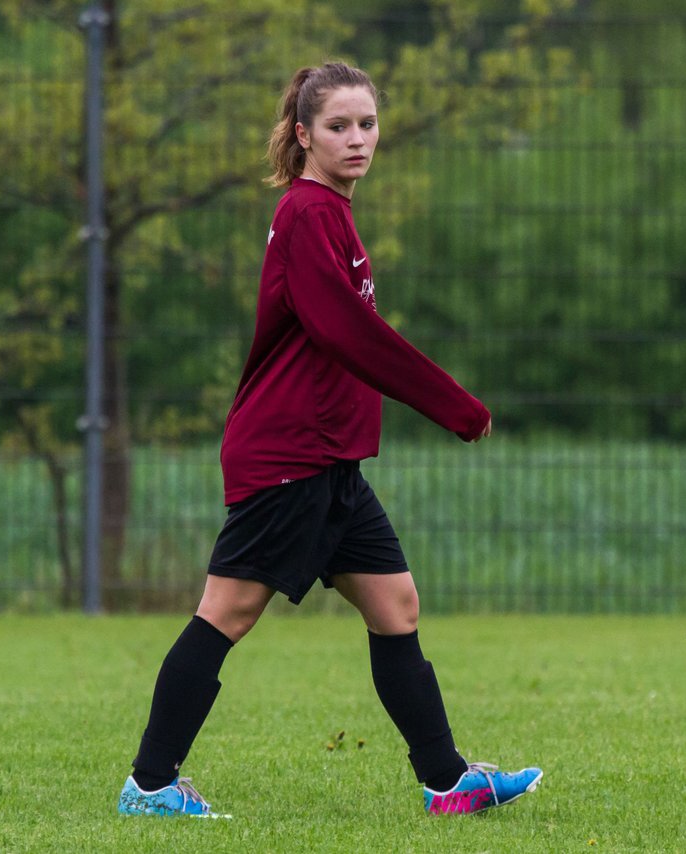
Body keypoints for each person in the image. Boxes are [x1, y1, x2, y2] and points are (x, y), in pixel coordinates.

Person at [117, 61, 542, 819]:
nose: (357, 139)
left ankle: (447, 784)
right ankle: (149, 785)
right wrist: (455, 406)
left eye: (367, 124)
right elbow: (348, 333)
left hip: (330, 459)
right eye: (339, 126)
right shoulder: (310, 214)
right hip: (290, 456)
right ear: (303, 135)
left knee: (396, 605)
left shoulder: (330, 212)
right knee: (227, 612)